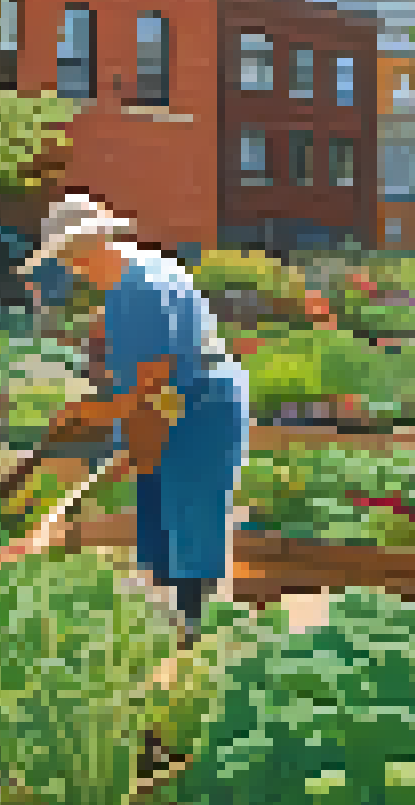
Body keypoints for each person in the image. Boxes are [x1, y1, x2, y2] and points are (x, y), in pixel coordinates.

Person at [14, 194, 250, 639]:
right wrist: (113, 420)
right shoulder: (138, 274)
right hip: (181, 399)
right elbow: (141, 381)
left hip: (199, 403)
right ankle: (170, 619)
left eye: (68, 256)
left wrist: (90, 414)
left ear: (88, 245)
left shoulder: (140, 287)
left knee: (191, 511)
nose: (69, 267)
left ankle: (194, 628)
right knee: (163, 508)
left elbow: (153, 383)